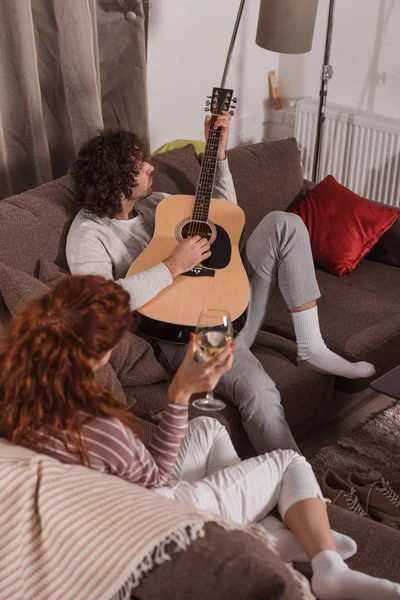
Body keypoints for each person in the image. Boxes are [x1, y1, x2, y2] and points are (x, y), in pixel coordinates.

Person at [0, 274, 398, 600]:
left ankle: (266, 532)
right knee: (288, 462)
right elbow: (154, 483)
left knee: (207, 427)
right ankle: (330, 569)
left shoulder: (22, 389)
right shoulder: (96, 426)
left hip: (112, 490)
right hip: (151, 515)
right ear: (101, 353)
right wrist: (180, 395)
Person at [65, 114, 375, 454]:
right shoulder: (89, 234)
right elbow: (100, 305)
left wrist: (220, 154)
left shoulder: (155, 204)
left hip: (233, 308)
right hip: (191, 334)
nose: (151, 168)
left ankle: (310, 346)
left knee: (284, 224)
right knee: (259, 389)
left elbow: (224, 216)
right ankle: (296, 486)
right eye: (140, 166)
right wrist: (173, 266)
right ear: (118, 182)